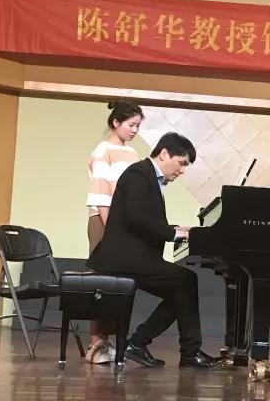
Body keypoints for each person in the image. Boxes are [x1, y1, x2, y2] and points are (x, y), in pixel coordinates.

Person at [87, 132, 223, 369]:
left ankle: (139, 344)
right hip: (125, 259)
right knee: (186, 282)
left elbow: (145, 219)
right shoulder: (138, 174)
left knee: (182, 289)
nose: (182, 171)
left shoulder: (147, 176)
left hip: (134, 257)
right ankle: (184, 352)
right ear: (164, 154)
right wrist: (175, 233)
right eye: (181, 163)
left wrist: (177, 229)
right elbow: (136, 218)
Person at [85, 101, 143, 364]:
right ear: (115, 122)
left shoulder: (132, 153)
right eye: (131, 125)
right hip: (104, 221)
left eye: (138, 126)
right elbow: (100, 194)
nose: (135, 130)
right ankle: (96, 343)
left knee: (120, 283)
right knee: (102, 281)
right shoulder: (102, 151)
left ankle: (112, 341)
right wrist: (113, 231)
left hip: (124, 224)